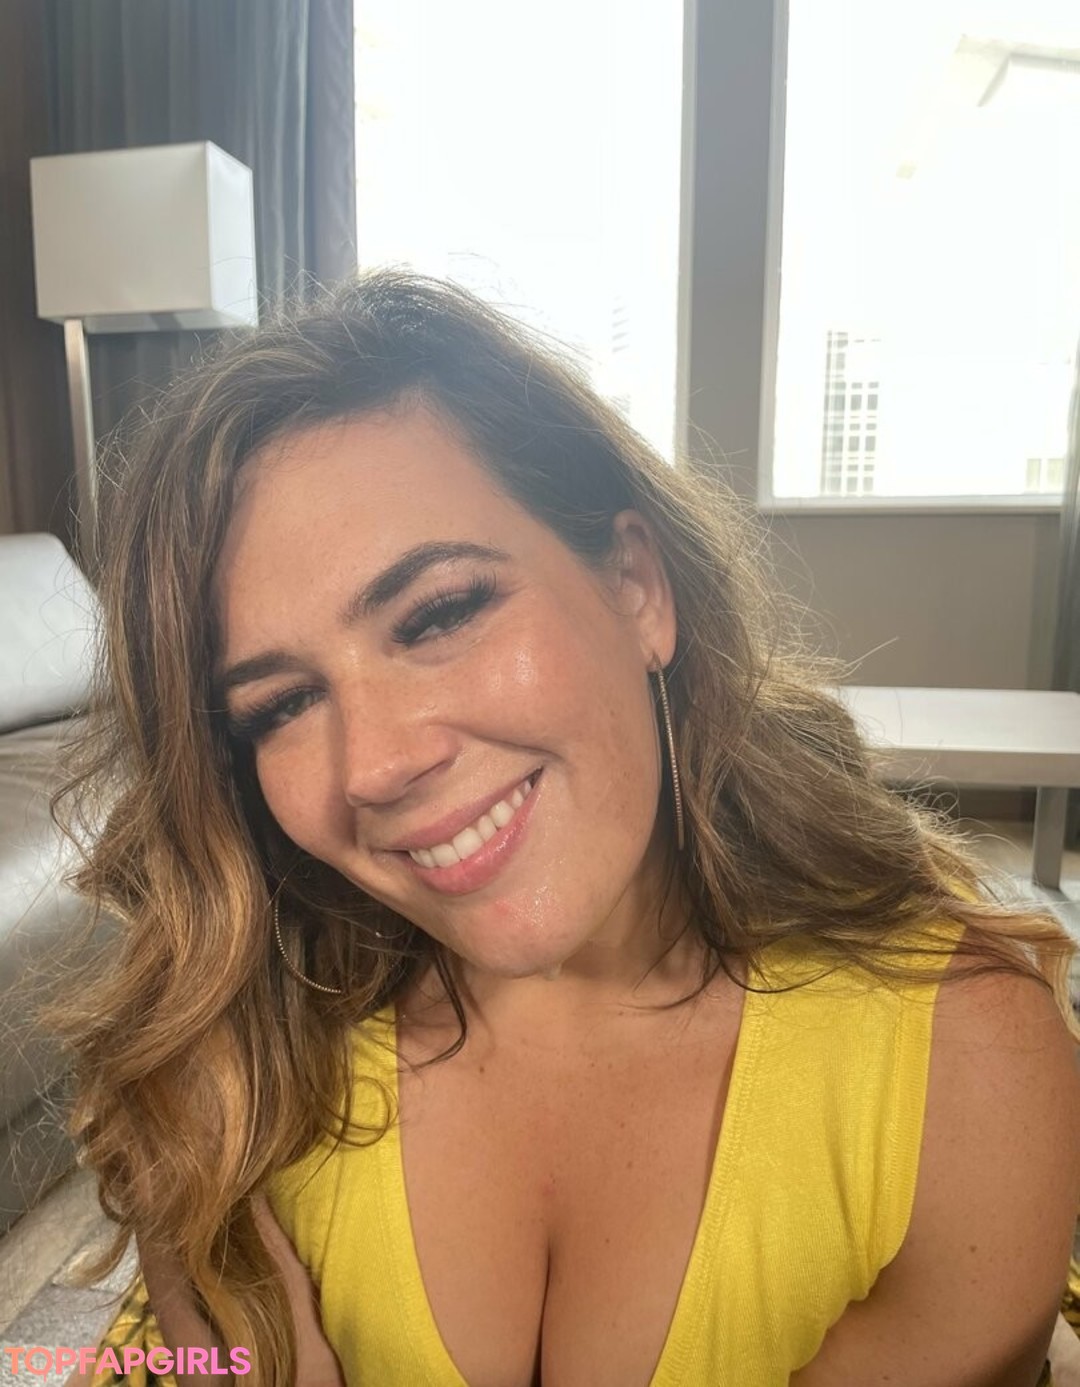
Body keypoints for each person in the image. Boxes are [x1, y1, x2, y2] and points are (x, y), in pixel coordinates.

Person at [56, 269, 1080, 1387]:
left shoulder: (969, 1069)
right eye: (283, 704)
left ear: (637, 585)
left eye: (439, 613)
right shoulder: (238, 1067)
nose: (378, 764)